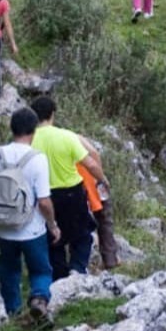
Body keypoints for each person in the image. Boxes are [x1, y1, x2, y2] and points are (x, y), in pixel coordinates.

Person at [0, 107, 59, 322]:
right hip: (32, 229)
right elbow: (44, 202)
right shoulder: (37, 159)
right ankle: (39, 299)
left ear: (11, 129)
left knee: (9, 270)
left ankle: (13, 312)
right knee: (41, 270)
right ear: (33, 130)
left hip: (3, 227)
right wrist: (53, 225)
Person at [30, 96, 108, 279]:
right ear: (52, 114)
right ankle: (77, 269)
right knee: (82, 235)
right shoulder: (66, 136)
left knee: (53, 239)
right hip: (72, 193)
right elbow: (90, 163)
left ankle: (59, 277)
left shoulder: (29, 140)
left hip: (44, 197)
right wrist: (102, 179)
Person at [76, 136, 119, 269]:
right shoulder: (74, 136)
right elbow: (94, 153)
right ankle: (110, 258)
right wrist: (101, 177)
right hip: (89, 182)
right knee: (104, 218)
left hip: (72, 186)